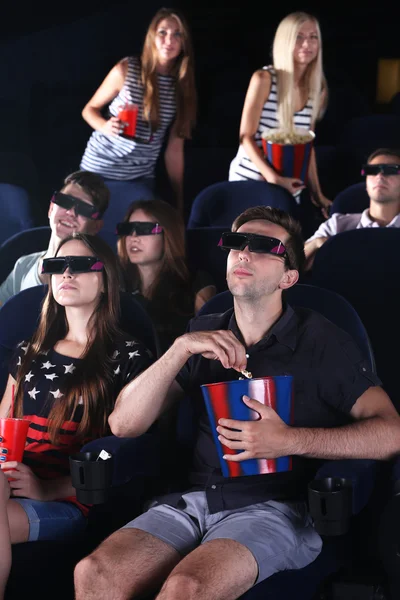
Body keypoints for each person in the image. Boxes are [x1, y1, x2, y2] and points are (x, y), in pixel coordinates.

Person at [74, 206, 400, 600]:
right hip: (194, 500)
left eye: (264, 246)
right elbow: (124, 425)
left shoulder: (323, 341)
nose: (244, 252)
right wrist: (179, 350)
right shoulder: (202, 332)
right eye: (236, 243)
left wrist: (290, 441)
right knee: (94, 574)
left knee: (187, 588)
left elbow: (391, 433)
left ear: (289, 276)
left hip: (279, 508)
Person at [0, 233, 152, 563]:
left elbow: (129, 454)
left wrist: (45, 489)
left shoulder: (128, 357)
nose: (66, 274)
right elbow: (2, 429)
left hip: (66, 501)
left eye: (81, 265)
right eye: (57, 265)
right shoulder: (28, 351)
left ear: (106, 280)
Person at [80, 7, 196, 215]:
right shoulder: (127, 69)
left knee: (136, 235)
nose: (169, 40)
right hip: (100, 167)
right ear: (152, 36)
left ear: (184, 42)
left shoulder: (182, 85)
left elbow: (174, 148)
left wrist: (179, 196)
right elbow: (89, 110)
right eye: (163, 32)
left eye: (177, 34)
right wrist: (105, 126)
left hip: (139, 175)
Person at [229, 12, 332, 218]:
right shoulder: (264, 79)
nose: (307, 44)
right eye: (299, 37)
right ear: (285, 41)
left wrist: (317, 193)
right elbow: (245, 137)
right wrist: (274, 179)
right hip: (251, 179)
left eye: (313, 37)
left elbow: (307, 146)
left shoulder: (317, 88)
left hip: (288, 185)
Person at [117, 198, 216, 353]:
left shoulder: (196, 283)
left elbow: (208, 343)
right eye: (128, 229)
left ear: (168, 234)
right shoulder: (113, 282)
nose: (133, 237)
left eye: (144, 229)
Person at [0, 170, 110, 306]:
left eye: (84, 209)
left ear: (96, 226)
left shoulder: (98, 275)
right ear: (51, 208)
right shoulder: (24, 265)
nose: (70, 212)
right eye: (64, 201)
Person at [304, 148, 400, 270]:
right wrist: (316, 244)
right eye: (372, 170)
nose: (380, 176)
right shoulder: (338, 224)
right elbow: (289, 266)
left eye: (391, 170)